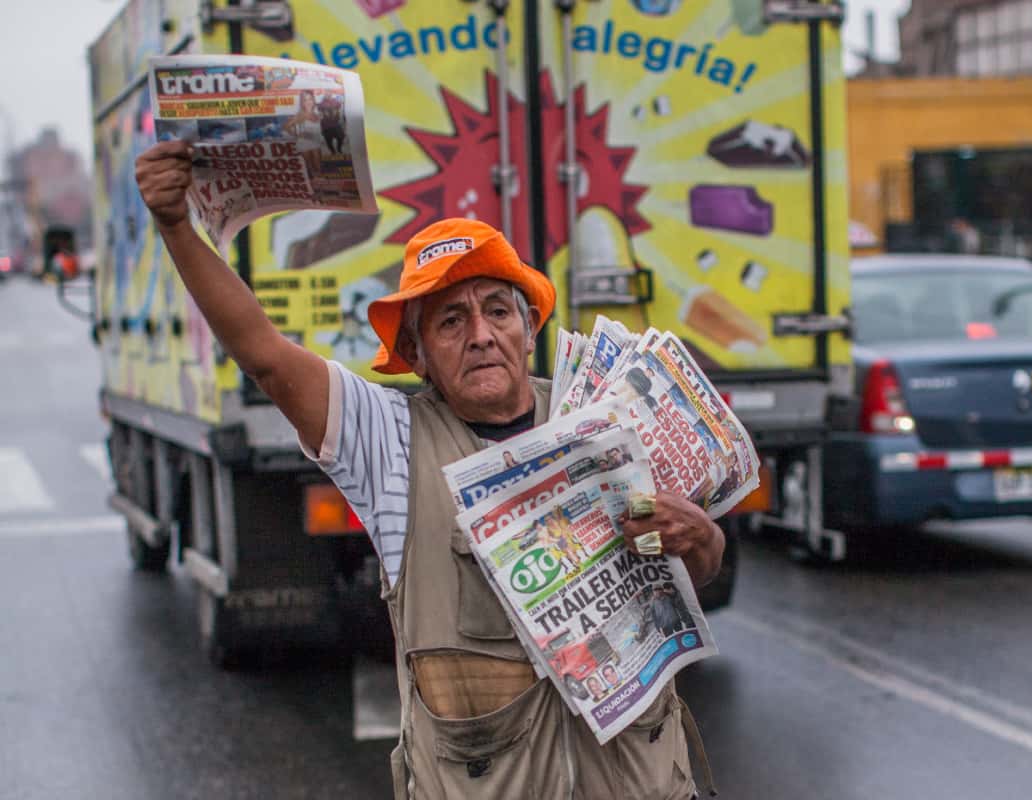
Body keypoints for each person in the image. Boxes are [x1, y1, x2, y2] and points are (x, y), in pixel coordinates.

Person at [134, 139, 724, 799]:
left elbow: (688, 577)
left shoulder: (604, 412)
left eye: (497, 311)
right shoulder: (388, 441)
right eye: (451, 321)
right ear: (414, 352)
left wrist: (702, 541)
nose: (480, 334)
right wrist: (177, 228)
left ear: (529, 328)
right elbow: (266, 356)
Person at [282, 90, 324, 184]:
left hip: (316, 142)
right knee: (311, 166)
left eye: (310, 99)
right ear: (302, 102)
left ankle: (319, 181)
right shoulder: (300, 115)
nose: (308, 102)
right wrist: (296, 135)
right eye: (305, 100)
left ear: (313, 100)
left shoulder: (317, 114)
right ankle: (316, 182)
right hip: (304, 143)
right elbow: (285, 126)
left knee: (318, 164)